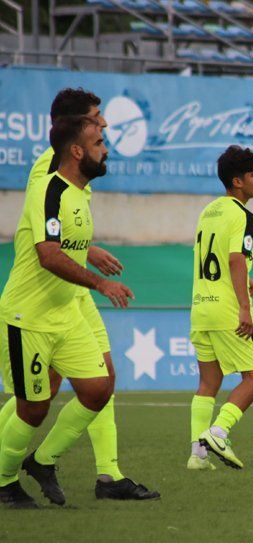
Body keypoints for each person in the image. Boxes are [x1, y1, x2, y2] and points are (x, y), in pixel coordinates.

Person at [0, 87, 159, 501]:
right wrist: (97, 278)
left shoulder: (78, 180)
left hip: (68, 297)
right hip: (44, 299)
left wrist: (89, 250)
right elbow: (46, 240)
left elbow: (62, 232)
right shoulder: (48, 174)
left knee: (97, 383)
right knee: (36, 400)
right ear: (74, 137)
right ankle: (13, 473)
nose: (104, 125)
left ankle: (94, 471)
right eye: (96, 119)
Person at [188, 145, 253, 471]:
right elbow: (235, 259)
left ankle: (197, 454)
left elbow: (215, 259)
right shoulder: (243, 215)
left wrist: (248, 281)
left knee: (209, 382)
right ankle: (219, 433)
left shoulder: (208, 211)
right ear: (238, 181)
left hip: (200, 307)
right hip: (226, 310)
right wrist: (244, 308)